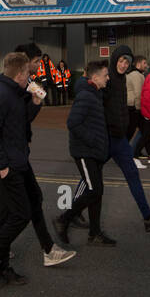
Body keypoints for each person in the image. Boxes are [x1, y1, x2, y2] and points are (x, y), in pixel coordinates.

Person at [0, 51, 76, 285]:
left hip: (19, 160)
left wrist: (34, 103)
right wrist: (2, 166)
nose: (30, 77)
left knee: (33, 199)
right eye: (28, 73)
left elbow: (22, 122)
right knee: (20, 214)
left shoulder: (14, 93)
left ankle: (1, 258)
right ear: (20, 73)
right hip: (7, 165)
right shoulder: (0, 96)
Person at [96, 44, 150, 232]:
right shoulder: (109, 79)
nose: (123, 64)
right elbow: (90, 91)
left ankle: (148, 216)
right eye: (121, 60)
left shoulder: (122, 79)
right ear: (115, 59)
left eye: (127, 62)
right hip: (106, 138)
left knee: (132, 175)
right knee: (91, 176)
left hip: (119, 138)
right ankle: (68, 215)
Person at [55, 61, 116, 246]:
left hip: (94, 151)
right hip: (84, 151)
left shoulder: (95, 94)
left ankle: (95, 232)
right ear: (95, 77)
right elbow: (73, 123)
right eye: (105, 75)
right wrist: (92, 140)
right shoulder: (86, 96)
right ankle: (64, 219)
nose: (108, 78)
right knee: (94, 189)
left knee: (97, 191)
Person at [126, 55, 150, 164]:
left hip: (135, 108)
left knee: (144, 131)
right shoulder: (136, 75)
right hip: (134, 108)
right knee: (130, 133)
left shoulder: (137, 74)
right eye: (144, 63)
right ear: (138, 64)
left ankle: (149, 152)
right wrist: (140, 109)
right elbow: (138, 94)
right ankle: (121, 151)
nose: (146, 66)